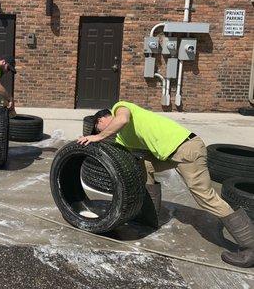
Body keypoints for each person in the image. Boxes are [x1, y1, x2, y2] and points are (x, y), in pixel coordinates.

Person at [77, 101, 253, 268]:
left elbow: (122, 119)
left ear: (102, 119)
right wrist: (88, 142)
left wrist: (98, 136)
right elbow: (120, 153)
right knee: (144, 164)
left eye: (100, 128)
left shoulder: (121, 108)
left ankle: (250, 246)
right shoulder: (122, 138)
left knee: (205, 197)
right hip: (172, 154)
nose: (106, 132)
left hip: (187, 148)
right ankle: (150, 217)